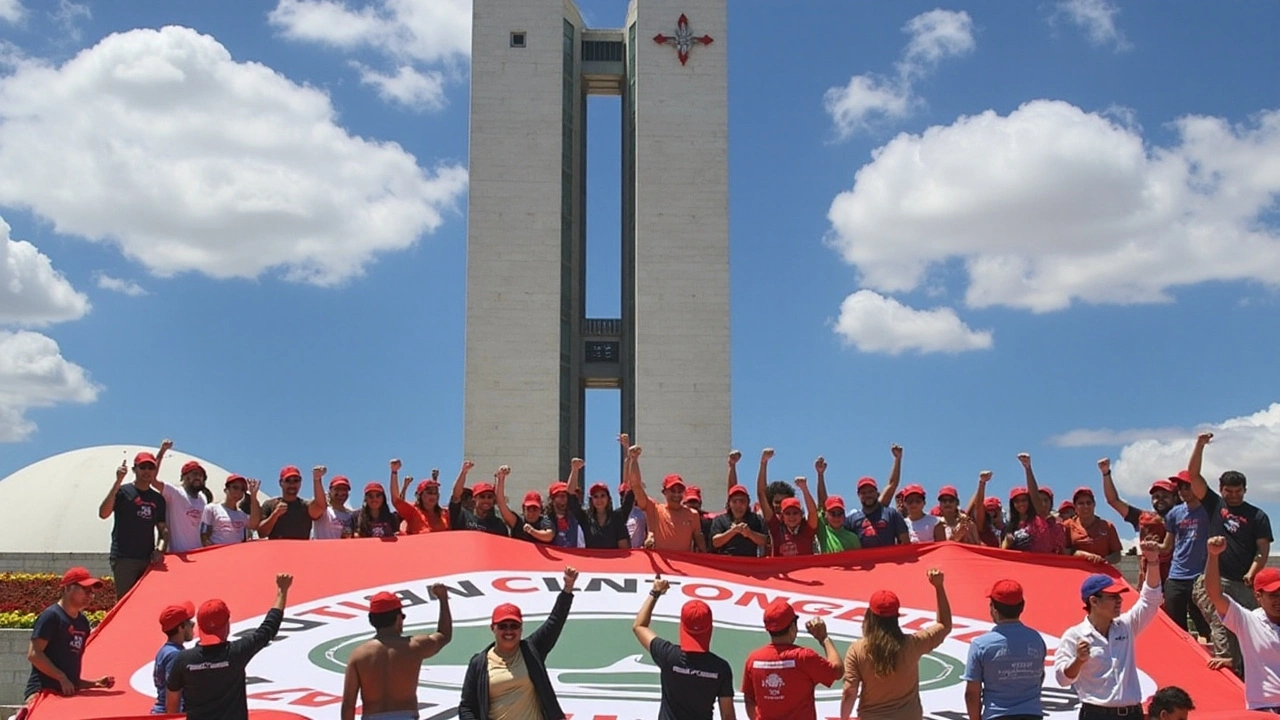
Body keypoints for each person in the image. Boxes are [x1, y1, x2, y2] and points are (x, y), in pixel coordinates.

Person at [1190, 434, 1273, 676]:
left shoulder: (1257, 515)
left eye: (1238, 491)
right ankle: (1229, 671)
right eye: (1229, 491)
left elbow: (1263, 548)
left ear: (1245, 490)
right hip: (1219, 579)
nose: (1234, 495)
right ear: (1221, 490)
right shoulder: (1215, 505)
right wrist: (1199, 445)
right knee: (1221, 624)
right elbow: (1193, 476)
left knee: (1248, 629)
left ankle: (1248, 674)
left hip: (1244, 582)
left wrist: (1252, 572)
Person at [1053, 540, 1164, 719]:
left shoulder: (1126, 625)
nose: (1119, 600)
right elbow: (1062, 679)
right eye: (1112, 597)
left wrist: (1152, 561)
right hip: (1096, 714)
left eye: (1119, 596)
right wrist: (1078, 661)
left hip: (1132, 714)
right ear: (1093, 601)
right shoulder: (1074, 635)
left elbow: (1150, 600)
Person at [166, 573, 292, 719]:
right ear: (227, 624)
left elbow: (172, 702)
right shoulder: (236, 652)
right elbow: (268, 629)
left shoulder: (183, 659)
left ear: (200, 626)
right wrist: (282, 591)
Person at [458, 567, 579, 720]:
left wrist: (567, 589)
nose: (509, 631)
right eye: (503, 626)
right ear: (493, 628)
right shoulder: (479, 663)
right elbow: (467, 707)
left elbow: (555, 621)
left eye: (514, 626)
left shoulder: (532, 650)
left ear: (521, 628)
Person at [840, 569, 952, 720]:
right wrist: (939, 587)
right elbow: (944, 625)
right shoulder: (913, 644)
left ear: (870, 616)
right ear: (896, 617)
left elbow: (849, 691)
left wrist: (844, 717)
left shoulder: (857, 650)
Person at [340, 584, 453, 720]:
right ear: (398, 619)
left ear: (371, 620)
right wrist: (443, 599)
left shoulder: (358, 655)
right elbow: (444, 635)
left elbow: (348, 705)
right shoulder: (414, 646)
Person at [633, 575, 736, 720]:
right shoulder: (721, 668)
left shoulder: (667, 655)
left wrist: (655, 592)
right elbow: (728, 716)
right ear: (710, 628)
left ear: (682, 626)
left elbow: (639, 626)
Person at [1202, 536, 1280, 712]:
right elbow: (1215, 594)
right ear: (1258, 596)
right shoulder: (1249, 621)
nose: (1279, 600)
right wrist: (1213, 556)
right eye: (1273, 595)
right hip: (1265, 707)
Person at [23, 568, 114, 706]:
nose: (90, 596)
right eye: (85, 590)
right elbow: (34, 654)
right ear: (67, 588)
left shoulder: (82, 622)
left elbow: (70, 675)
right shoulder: (52, 616)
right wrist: (61, 677)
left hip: (67, 694)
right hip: (43, 693)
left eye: (92, 592)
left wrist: (94, 683)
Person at [1160, 434, 1220, 641]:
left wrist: (1200, 445)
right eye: (1180, 487)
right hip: (1176, 576)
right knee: (1176, 627)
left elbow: (1196, 474)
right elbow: (1167, 547)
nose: (1184, 490)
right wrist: (1153, 548)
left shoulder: (1209, 509)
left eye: (1187, 486)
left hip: (1201, 576)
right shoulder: (1174, 513)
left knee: (1206, 625)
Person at [742, 599, 842, 720]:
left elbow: (749, 699)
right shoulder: (804, 657)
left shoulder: (753, 660)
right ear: (793, 626)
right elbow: (837, 671)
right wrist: (824, 638)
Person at [962, 579, 1046, 720]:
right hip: (1032, 715)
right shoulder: (1036, 639)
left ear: (994, 608)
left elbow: (972, 694)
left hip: (997, 715)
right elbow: (1039, 677)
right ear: (1022, 606)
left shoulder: (981, 645)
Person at [1098, 457, 1179, 587]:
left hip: (1174, 579)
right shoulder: (1143, 517)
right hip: (1147, 580)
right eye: (1156, 497)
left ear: (1175, 499)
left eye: (1165, 496)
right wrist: (1106, 473)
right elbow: (1113, 501)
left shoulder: (1182, 517)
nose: (1160, 500)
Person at [98, 452, 169, 599]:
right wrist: (118, 482)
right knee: (125, 602)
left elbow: (163, 531)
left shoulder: (158, 499)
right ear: (134, 469)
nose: (147, 471)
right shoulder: (123, 492)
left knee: (146, 600)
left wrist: (160, 550)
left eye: (151, 467)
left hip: (147, 559)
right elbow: (103, 513)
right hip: (124, 558)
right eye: (143, 467)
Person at [628, 442, 707, 552]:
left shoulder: (693, 514)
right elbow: (636, 486)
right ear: (664, 492)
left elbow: (700, 542)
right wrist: (634, 460)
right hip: (662, 566)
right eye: (672, 491)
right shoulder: (654, 509)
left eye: (680, 491)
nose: (676, 495)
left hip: (684, 565)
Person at [150, 439, 212, 554]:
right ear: (184, 477)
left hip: (199, 553)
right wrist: (162, 451)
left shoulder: (202, 498)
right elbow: (152, 480)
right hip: (177, 554)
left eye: (201, 475)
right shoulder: (174, 493)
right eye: (194, 474)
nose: (198, 477)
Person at [844, 445, 910, 547]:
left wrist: (898, 459)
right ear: (858, 495)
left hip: (889, 562)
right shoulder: (851, 520)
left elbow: (905, 542)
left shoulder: (890, 514)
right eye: (864, 493)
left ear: (877, 493)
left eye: (871, 492)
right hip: (865, 562)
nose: (868, 495)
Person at [1001, 454, 1065, 555]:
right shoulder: (1014, 526)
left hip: (1047, 565)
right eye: (1017, 501)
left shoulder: (1047, 520)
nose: (1021, 504)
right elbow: (1003, 553)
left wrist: (1028, 468)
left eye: (1024, 500)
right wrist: (1007, 544)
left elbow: (1035, 497)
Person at [257, 465, 328, 540]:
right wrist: (275, 514)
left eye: (296, 480)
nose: (292, 484)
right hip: (276, 550)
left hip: (301, 550)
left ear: (300, 483)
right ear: (281, 483)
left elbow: (321, 507)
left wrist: (317, 479)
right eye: (288, 480)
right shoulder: (270, 505)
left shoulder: (305, 506)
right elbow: (261, 533)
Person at [151, 601, 194, 714]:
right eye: (189, 622)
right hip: (169, 714)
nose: (193, 624)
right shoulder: (175, 655)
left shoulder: (165, 651)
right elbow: (173, 692)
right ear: (181, 627)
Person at [710, 472, 768, 557]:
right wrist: (733, 531)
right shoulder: (720, 519)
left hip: (750, 563)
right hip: (727, 562)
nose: (738, 505)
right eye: (734, 501)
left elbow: (764, 541)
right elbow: (715, 542)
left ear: (748, 502)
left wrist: (749, 533)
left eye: (742, 501)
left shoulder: (756, 519)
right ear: (729, 503)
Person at [814, 456, 862, 553]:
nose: (836, 517)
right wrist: (820, 475)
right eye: (833, 513)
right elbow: (822, 504)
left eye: (839, 513)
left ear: (844, 516)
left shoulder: (853, 538)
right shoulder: (823, 531)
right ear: (826, 516)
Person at [1064, 487, 1123, 566]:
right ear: (1075, 507)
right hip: (1076, 571)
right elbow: (1064, 551)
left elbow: (1117, 555)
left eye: (1089, 503)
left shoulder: (1108, 526)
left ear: (1094, 504)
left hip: (1102, 571)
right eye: (1081, 503)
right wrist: (1080, 554)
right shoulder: (1067, 526)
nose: (1085, 506)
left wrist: (1103, 560)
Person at [449, 461, 510, 536]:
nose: (486, 500)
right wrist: (464, 472)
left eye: (489, 497)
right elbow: (456, 496)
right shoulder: (463, 516)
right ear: (474, 499)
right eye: (482, 497)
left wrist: (500, 479)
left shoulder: (498, 525)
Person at [573, 478, 633, 550]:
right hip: (592, 560)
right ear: (591, 500)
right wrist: (575, 470)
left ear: (608, 498)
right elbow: (571, 498)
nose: (599, 499)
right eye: (595, 496)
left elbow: (630, 498)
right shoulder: (585, 518)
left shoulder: (617, 517)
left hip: (614, 560)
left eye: (603, 495)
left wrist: (634, 482)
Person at [200, 476, 261, 546]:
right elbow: (204, 536)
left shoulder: (242, 515)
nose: (238, 492)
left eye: (242, 490)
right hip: (217, 552)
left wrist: (253, 495)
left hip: (236, 553)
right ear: (226, 489)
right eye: (235, 488)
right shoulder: (212, 509)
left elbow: (254, 525)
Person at [498, 473, 555, 544]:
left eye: (535, 509)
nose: (531, 513)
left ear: (540, 509)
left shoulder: (545, 521)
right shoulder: (517, 521)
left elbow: (549, 536)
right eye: (528, 509)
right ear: (523, 508)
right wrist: (501, 479)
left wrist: (532, 531)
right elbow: (501, 505)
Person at [546, 460, 584, 547]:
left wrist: (575, 469)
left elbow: (571, 492)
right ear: (552, 499)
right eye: (559, 496)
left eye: (564, 496)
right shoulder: (547, 518)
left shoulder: (574, 515)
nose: (563, 499)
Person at [315, 475, 356, 540]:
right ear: (330, 490)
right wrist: (317, 479)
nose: (340, 493)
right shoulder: (324, 511)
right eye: (337, 489)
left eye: (344, 489)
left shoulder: (350, 515)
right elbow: (319, 501)